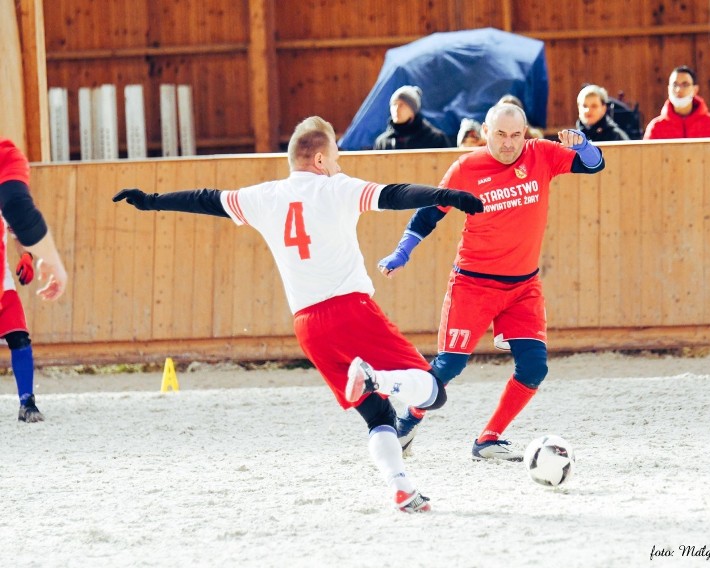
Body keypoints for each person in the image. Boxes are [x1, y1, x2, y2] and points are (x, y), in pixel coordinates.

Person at [114, 116, 483, 512]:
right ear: (321, 159)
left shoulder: (264, 196)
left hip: (308, 326)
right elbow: (394, 194)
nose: (340, 164)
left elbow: (205, 198)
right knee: (433, 393)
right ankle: (378, 378)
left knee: (378, 414)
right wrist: (448, 195)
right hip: (350, 310)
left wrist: (152, 201)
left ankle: (401, 487)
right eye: (337, 157)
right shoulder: (336, 188)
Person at [378, 104, 605, 461]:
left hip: (523, 287)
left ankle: (488, 439)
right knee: (448, 367)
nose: (509, 144)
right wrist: (402, 251)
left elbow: (594, 165)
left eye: (517, 135)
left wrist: (583, 146)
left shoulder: (541, 154)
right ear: (486, 132)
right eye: (500, 134)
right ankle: (408, 423)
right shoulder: (466, 169)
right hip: (473, 284)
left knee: (534, 368)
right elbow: (428, 215)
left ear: (526, 133)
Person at [0, 137, 69, 422]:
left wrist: (27, 256)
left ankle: (27, 402)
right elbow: (19, 211)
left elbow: (15, 222)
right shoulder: (7, 157)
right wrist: (53, 263)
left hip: (1, 281)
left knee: (18, 336)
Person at [643, 66, 710, 139]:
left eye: (685, 84)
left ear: (695, 89)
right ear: (668, 89)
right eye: (675, 85)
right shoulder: (656, 127)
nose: (679, 90)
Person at [373, 86, 453, 150]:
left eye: (402, 105)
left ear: (413, 110)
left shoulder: (435, 139)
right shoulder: (382, 143)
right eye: (394, 104)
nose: (396, 109)